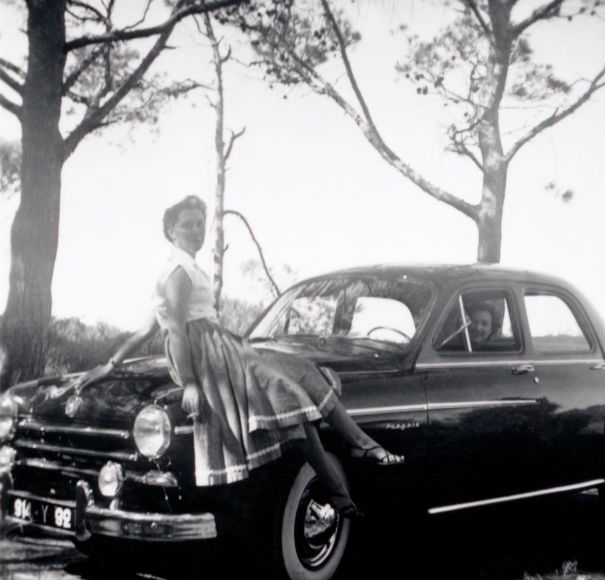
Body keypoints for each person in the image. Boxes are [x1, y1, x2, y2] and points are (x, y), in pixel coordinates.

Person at [76, 195, 402, 518]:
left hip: (221, 344)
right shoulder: (177, 270)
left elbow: (144, 328)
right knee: (286, 392)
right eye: (187, 224)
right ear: (171, 231)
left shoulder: (185, 267)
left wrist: (111, 362)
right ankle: (344, 483)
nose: (196, 230)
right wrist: (190, 383)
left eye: (200, 224)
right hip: (207, 355)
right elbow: (173, 330)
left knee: (300, 371)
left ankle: (360, 449)